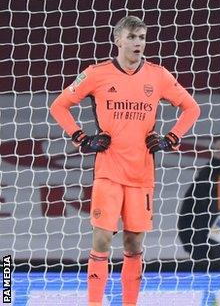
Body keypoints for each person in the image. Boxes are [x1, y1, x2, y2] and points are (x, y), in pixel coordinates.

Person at [50, 16, 200, 306]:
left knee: (134, 245)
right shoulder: (96, 74)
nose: (138, 44)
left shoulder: (158, 76)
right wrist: (82, 137)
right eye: (132, 37)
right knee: (102, 240)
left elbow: (192, 108)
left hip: (142, 174)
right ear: (118, 40)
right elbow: (59, 105)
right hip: (108, 172)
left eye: (142, 38)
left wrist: (171, 138)